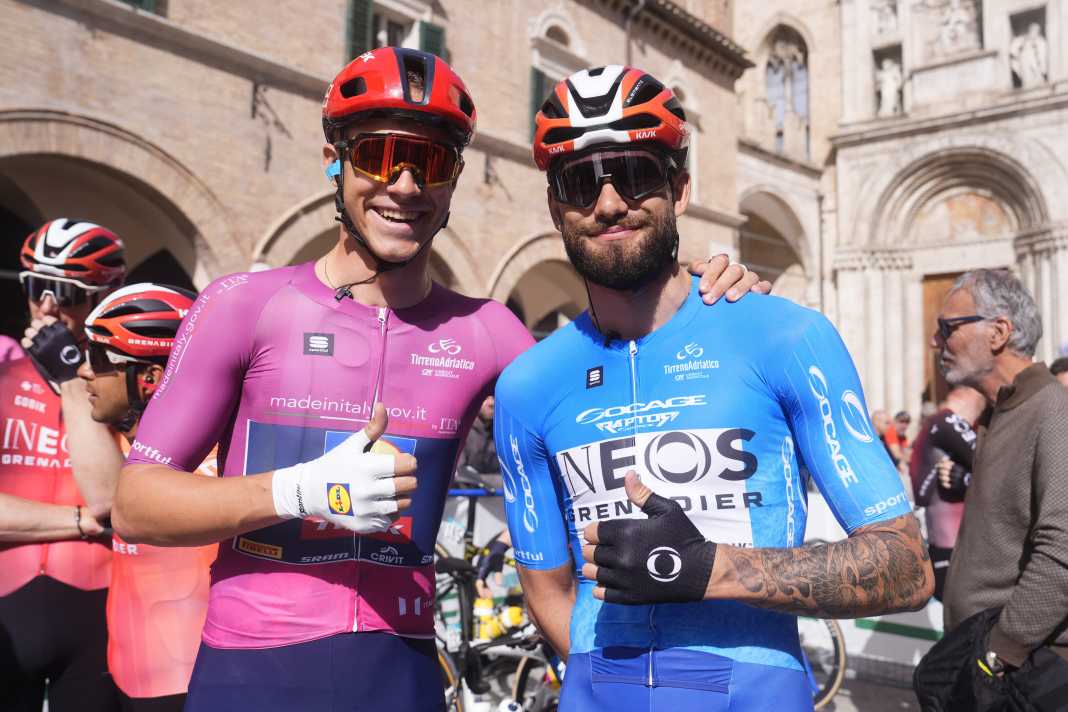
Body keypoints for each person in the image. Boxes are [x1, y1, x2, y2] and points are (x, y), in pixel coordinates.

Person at [111, 48, 763, 712]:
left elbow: (634, 396)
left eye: (430, 162)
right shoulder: (243, 305)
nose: (403, 185)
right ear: (334, 158)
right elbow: (136, 504)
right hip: (251, 671)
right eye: (378, 154)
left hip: (402, 671)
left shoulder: (487, 332)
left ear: (452, 181)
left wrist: (709, 297)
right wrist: (303, 490)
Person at [495, 65, 933, 711]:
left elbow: (906, 566)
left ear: (681, 186)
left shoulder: (785, 336)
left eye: (636, 174)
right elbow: (546, 588)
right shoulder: (527, 383)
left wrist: (710, 570)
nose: (610, 203)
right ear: (556, 205)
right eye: (581, 183)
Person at [0, 219, 126, 712]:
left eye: (66, 293)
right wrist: (78, 523)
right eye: (37, 288)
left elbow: (109, 501)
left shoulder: (121, 384)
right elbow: (95, 514)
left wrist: (71, 378)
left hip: (96, 620)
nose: (48, 306)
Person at [78, 283, 217, 712]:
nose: (84, 371)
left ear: (151, 378)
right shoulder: (117, 443)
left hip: (186, 681)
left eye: (99, 359)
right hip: (122, 674)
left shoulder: (216, 456)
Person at [937, 269, 1068, 684]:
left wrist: (1000, 651)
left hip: (1021, 671)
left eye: (948, 328)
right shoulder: (1000, 413)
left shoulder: (1053, 411)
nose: (935, 341)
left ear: (998, 333)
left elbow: (1063, 546)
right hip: (982, 660)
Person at [908, 386, 986, 601]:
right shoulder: (947, 421)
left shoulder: (934, 423)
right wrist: (969, 479)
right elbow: (997, 465)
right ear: (967, 394)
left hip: (947, 547)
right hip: (954, 550)